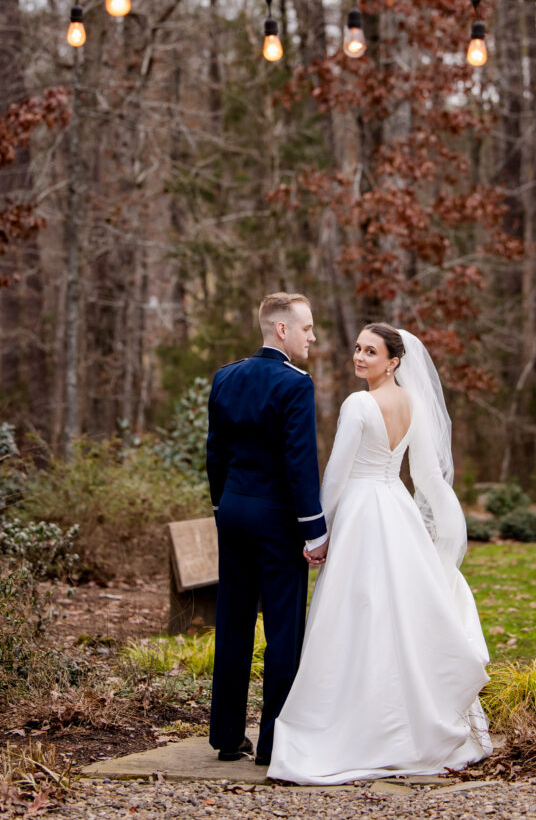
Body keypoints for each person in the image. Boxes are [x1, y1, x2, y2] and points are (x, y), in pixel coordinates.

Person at [269, 323, 492, 785]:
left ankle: (358, 726)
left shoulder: (359, 404)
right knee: (395, 614)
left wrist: (318, 533)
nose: (359, 357)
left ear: (393, 361)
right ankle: (402, 721)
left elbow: (336, 473)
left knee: (356, 615)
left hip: (362, 512)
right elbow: (427, 474)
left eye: (371, 351)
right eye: (357, 348)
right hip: (397, 508)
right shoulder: (413, 402)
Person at [206, 292, 328, 766]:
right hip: (279, 520)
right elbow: (300, 463)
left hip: (233, 511)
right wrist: (314, 530)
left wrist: (222, 505)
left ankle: (226, 737)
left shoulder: (225, 377)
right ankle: (273, 745)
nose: (312, 336)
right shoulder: (296, 384)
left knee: (232, 623)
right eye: (307, 328)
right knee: (283, 631)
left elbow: (215, 452)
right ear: (282, 330)